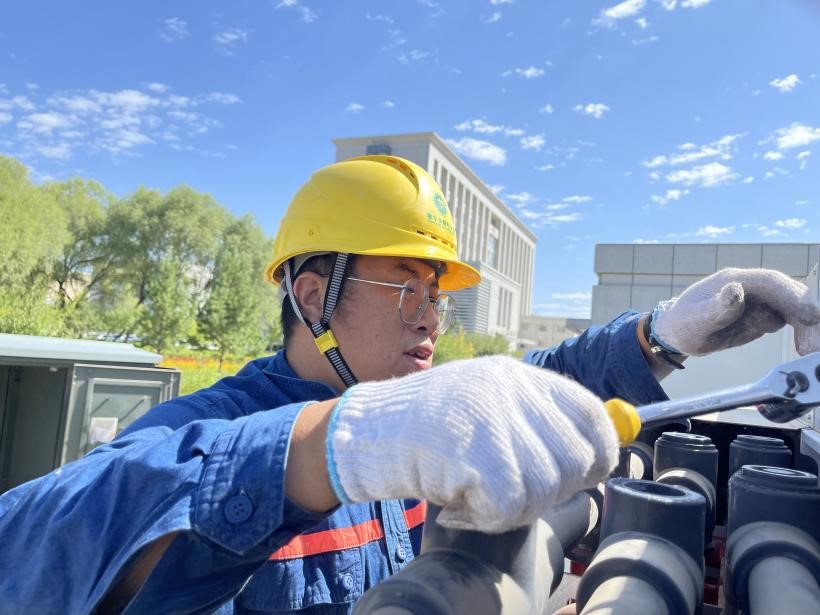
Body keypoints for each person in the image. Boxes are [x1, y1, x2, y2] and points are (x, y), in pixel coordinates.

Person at [1, 155, 818, 614]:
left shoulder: (414, 405)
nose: (432, 315)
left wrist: (661, 339)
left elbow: (539, 385)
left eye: (439, 291)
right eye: (407, 288)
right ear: (314, 295)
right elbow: (32, 536)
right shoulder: (213, 423)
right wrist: (340, 443)